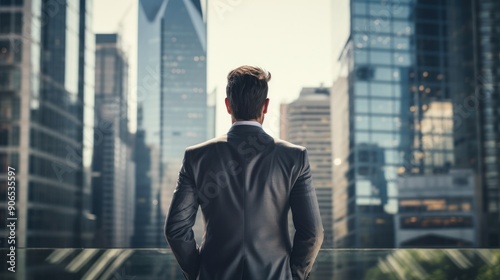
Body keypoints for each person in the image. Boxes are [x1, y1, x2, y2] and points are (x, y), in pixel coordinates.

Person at [165, 65, 324, 280]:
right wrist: (292, 275)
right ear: (266, 106)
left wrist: (199, 272)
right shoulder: (295, 157)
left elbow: (176, 229)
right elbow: (312, 234)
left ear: (228, 105)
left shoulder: (196, 157)